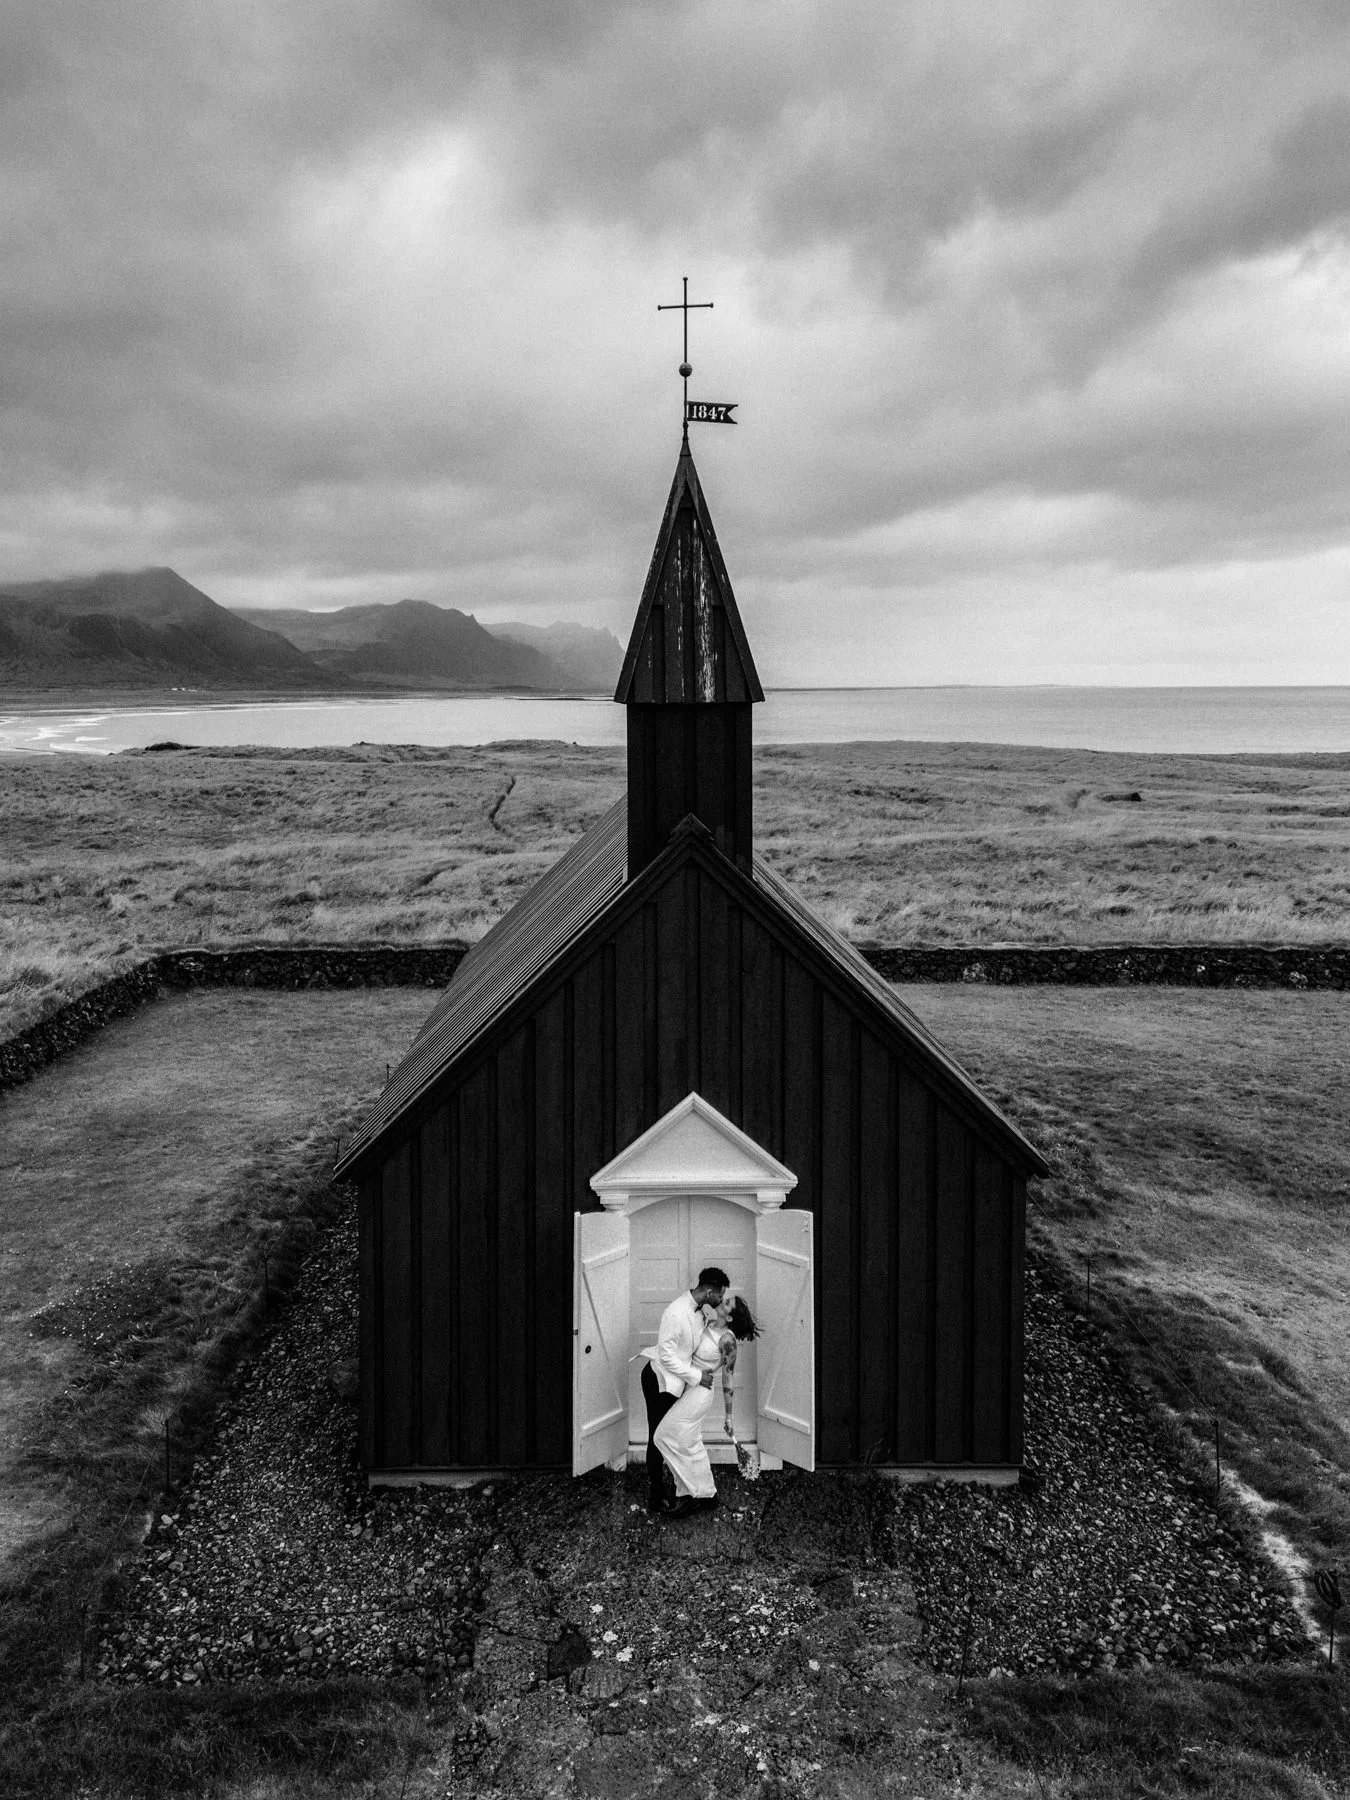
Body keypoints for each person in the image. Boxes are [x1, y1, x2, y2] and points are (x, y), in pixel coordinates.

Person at [653, 1290, 761, 1518]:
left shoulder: (728, 1340)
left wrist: (729, 1417)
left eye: (727, 1303)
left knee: (662, 1435)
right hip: (688, 1385)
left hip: (700, 1393)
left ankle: (693, 1493)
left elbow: (728, 1379)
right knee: (690, 1441)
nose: (723, 1300)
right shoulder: (708, 1322)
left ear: (729, 1317)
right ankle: (704, 1493)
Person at [640, 1266, 728, 1515]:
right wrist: (698, 1377)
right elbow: (667, 1357)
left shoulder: (701, 1312)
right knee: (657, 1436)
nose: (721, 1300)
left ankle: (686, 1487)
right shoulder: (675, 1312)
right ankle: (656, 1495)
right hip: (660, 1380)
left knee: (674, 1435)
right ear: (709, 1292)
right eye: (720, 1295)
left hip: (679, 1383)